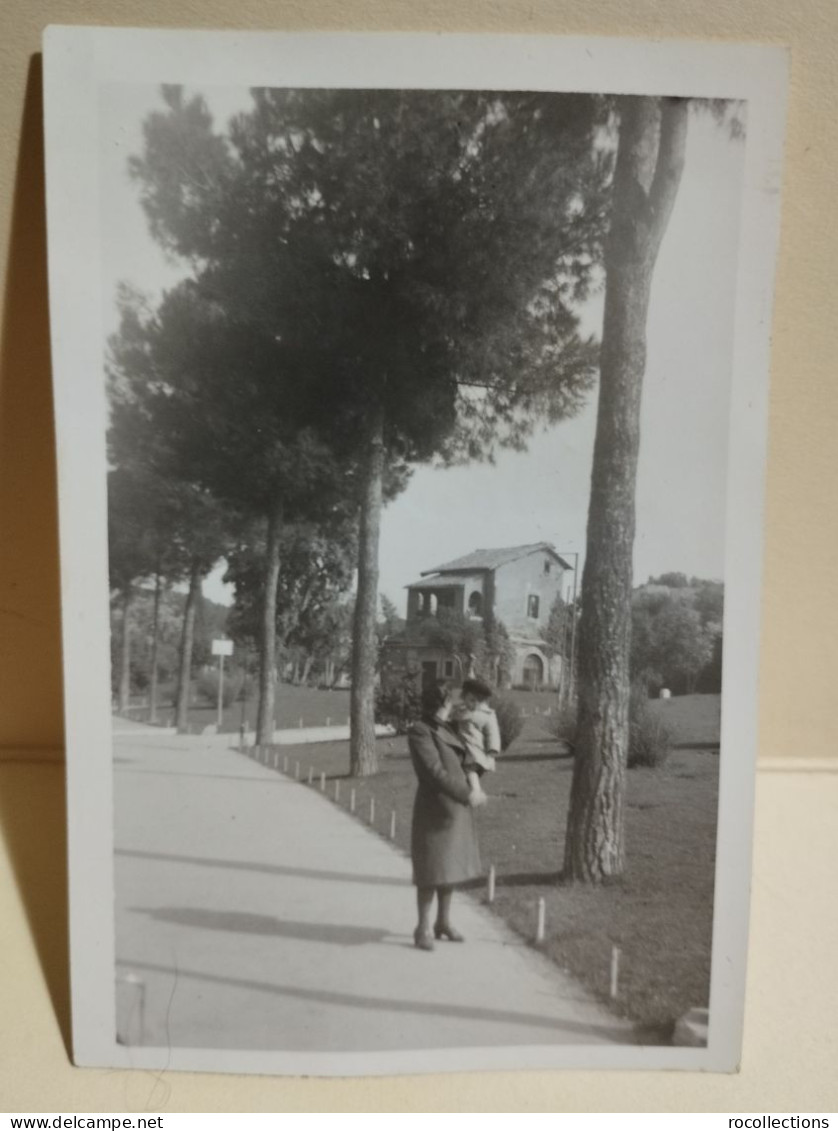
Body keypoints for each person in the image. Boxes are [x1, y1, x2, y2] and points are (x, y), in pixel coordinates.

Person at [407, 680, 485, 951]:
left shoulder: (449, 728)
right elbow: (434, 773)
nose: (458, 700)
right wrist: (467, 794)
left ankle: (443, 922)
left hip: (454, 812)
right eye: (452, 697)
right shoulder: (420, 731)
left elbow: (467, 761)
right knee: (431, 871)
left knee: (448, 868)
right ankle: (422, 928)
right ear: (442, 701)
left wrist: (475, 782)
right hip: (434, 811)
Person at [450, 677, 501, 804]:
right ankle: (469, 792)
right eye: (470, 700)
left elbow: (493, 734)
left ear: (482, 701)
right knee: (466, 773)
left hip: (474, 751)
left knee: (470, 771)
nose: (472, 704)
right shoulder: (463, 711)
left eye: (476, 701)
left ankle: (476, 793)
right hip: (467, 749)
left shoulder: (483, 714)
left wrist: (492, 752)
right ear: (464, 697)